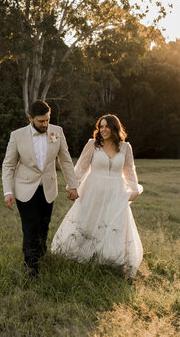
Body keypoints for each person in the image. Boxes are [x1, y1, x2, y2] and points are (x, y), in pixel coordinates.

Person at [50, 114, 144, 276]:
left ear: (115, 128)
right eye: (101, 126)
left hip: (116, 191)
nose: (103, 129)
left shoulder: (125, 147)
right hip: (93, 190)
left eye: (107, 126)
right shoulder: (92, 145)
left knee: (113, 224)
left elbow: (129, 170)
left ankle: (110, 258)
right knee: (89, 221)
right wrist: (72, 186)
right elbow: (80, 168)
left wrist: (134, 190)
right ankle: (83, 255)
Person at [2, 100, 79, 278]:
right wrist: (8, 192)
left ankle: (41, 254)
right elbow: (8, 165)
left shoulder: (57, 132)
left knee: (44, 224)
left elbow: (65, 160)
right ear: (30, 118)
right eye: (41, 121)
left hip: (48, 188)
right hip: (25, 188)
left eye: (47, 120)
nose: (45, 124)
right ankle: (32, 268)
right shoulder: (17, 136)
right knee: (31, 227)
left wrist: (72, 185)